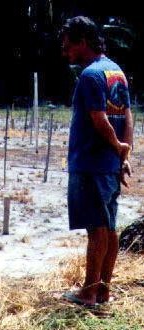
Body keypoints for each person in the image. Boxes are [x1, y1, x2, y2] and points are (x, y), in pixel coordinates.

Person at [60, 16, 134, 307]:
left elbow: (99, 117)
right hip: (109, 164)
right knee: (109, 226)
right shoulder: (116, 72)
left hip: (91, 163)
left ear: (81, 42)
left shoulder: (90, 76)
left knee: (97, 229)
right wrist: (122, 154)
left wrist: (116, 145)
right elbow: (127, 114)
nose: (65, 51)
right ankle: (104, 289)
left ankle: (89, 292)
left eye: (68, 45)